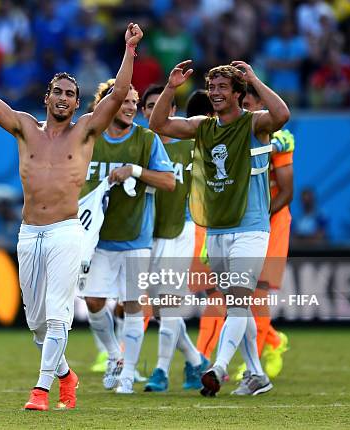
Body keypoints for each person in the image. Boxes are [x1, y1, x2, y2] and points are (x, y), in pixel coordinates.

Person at [0, 23, 144, 411]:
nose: (63, 98)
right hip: (28, 233)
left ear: (78, 104)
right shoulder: (24, 127)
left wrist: (129, 49)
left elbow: (113, 98)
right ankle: (66, 375)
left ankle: (41, 390)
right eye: (57, 92)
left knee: (59, 314)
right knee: (37, 325)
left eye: (70, 95)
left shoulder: (85, 133)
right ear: (46, 97)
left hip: (65, 231)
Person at [150, 59, 290, 396]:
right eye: (211, 87)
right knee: (234, 306)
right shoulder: (203, 126)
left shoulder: (255, 124)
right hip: (217, 230)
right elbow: (160, 125)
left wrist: (255, 78)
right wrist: (171, 87)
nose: (213, 92)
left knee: (238, 301)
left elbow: (282, 114)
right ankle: (257, 374)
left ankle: (218, 367)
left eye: (221, 87)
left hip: (252, 228)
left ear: (239, 94)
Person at [80, 79, 175, 395]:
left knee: (133, 305)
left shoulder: (147, 140)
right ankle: (114, 355)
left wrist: (134, 171)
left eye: (135, 101)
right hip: (97, 240)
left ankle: (127, 376)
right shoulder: (89, 138)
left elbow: (168, 181)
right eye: (125, 101)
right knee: (93, 302)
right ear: (107, 104)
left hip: (136, 238)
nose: (132, 106)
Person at [140, 86, 210, 392]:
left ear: (172, 110)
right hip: (147, 234)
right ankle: (196, 360)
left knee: (169, 303)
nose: (157, 109)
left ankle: (160, 371)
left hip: (181, 229)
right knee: (159, 309)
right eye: (150, 105)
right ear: (145, 111)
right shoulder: (140, 145)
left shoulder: (191, 145)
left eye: (163, 104)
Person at [228, 84, 294, 382]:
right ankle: (270, 344)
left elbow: (286, 192)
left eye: (250, 104)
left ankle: (253, 362)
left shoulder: (279, 138)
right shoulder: (230, 134)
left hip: (271, 219)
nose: (246, 110)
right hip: (240, 222)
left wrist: (258, 217)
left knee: (258, 292)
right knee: (243, 293)